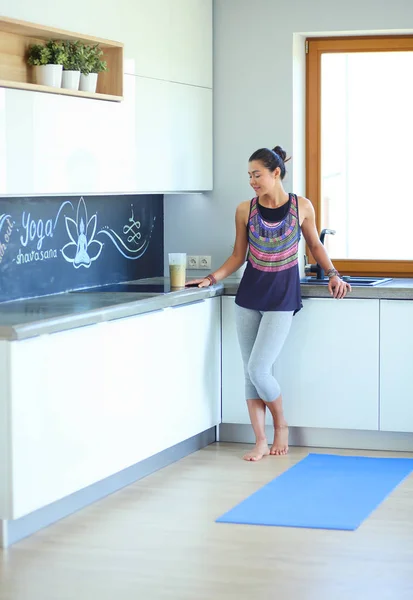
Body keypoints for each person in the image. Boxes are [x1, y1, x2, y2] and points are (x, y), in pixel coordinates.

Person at [187, 146, 351, 462]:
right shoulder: (243, 210)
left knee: (258, 368)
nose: (252, 181)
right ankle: (260, 441)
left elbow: (315, 245)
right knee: (250, 374)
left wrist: (333, 274)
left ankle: (281, 424)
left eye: (257, 174)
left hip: (281, 298)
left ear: (276, 173)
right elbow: (238, 255)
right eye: (249, 175)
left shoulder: (301, 207)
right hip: (248, 297)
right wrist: (211, 278)